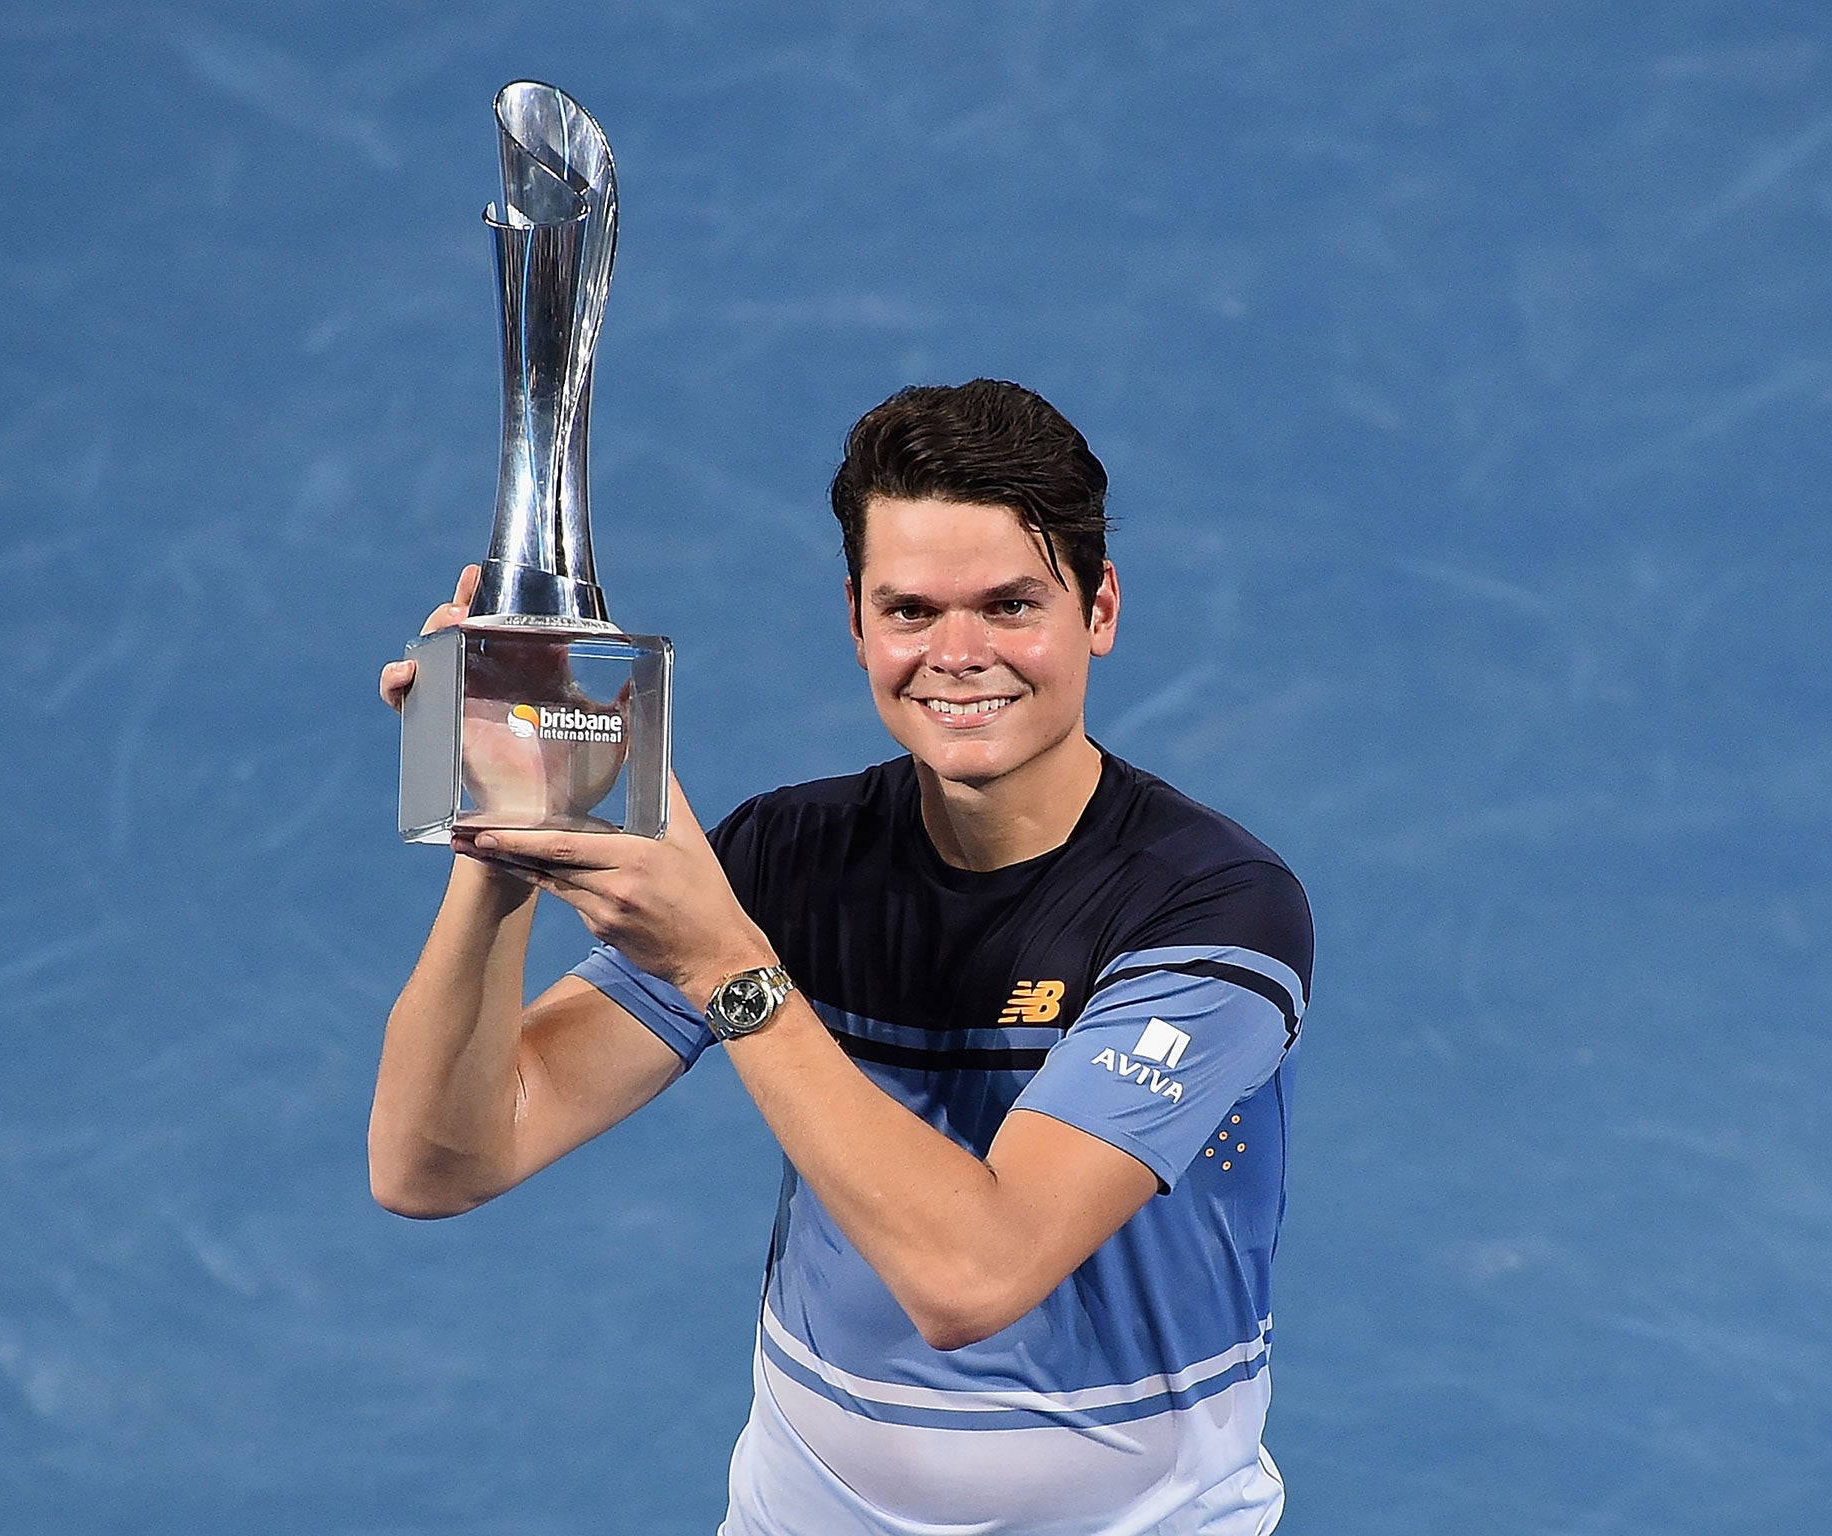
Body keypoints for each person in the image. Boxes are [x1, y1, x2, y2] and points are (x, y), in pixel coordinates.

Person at [371, 379, 1314, 1535]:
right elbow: (437, 1165)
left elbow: (971, 1278)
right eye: (910, 610)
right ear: (857, 624)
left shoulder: (1211, 908)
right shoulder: (788, 857)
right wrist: (503, 836)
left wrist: (731, 971)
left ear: (1099, 608)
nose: (958, 655)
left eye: (1011, 605)